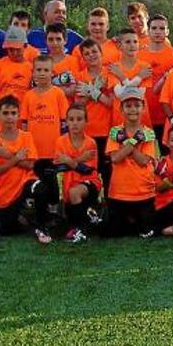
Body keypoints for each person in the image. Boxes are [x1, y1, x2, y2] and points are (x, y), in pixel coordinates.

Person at [0, 95, 52, 243]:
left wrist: (7, 155)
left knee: (41, 188)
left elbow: (30, 165)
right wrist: (16, 158)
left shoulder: (26, 136)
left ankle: (42, 227)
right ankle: (20, 218)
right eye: (5, 113)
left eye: (13, 113)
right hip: (7, 190)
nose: (9, 117)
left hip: (26, 181)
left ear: (18, 115)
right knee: (6, 231)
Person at [21, 55, 69, 219]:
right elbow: (24, 123)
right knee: (37, 178)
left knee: (51, 179)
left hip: (52, 148)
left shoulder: (58, 94)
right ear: (33, 73)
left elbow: (64, 121)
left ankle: (54, 208)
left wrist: (63, 145)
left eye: (46, 70)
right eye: (39, 70)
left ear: (52, 73)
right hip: (34, 149)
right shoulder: (28, 96)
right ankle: (39, 209)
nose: (42, 73)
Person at [106, 86, 157, 238]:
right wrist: (135, 141)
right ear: (121, 109)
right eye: (128, 106)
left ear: (143, 108)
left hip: (143, 192)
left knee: (146, 232)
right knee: (114, 233)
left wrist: (128, 143)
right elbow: (115, 158)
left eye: (137, 105)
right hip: (119, 192)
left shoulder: (148, 133)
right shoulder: (115, 131)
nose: (132, 109)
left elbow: (143, 161)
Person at [54, 104, 101, 243]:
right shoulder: (60, 141)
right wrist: (79, 160)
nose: (75, 123)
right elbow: (59, 167)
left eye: (79, 119)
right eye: (71, 119)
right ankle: (89, 216)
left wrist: (68, 160)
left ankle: (81, 232)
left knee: (75, 192)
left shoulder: (90, 143)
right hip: (69, 185)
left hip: (90, 183)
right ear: (66, 121)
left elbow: (86, 170)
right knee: (70, 211)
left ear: (86, 121)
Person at [73, 38, 114, 189]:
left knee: (108, 171)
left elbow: (111, 103)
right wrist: (96, 89)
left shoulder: (109, 73)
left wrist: (91, 91)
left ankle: (110, 206)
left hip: (106, 131)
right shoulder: (80, 76)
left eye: (94, 51)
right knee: (88, 170)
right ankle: (90, 202)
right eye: (87, 53)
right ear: (83, 58)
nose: (91, 55)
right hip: (88, 132)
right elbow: (79, 105)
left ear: (101, 53)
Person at [0, 26, 33, 136]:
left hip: (22, 124)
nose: (13, 53)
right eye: (10, 49)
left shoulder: (31, 68)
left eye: (17, 49)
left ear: (25, 46)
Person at [138, 15, 173, 141]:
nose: (157, 32)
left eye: (162, 28)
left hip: (166, 114)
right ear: (148, 30)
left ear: (167, 31)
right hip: (144, 113)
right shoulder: (138, 55)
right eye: (154, 28)